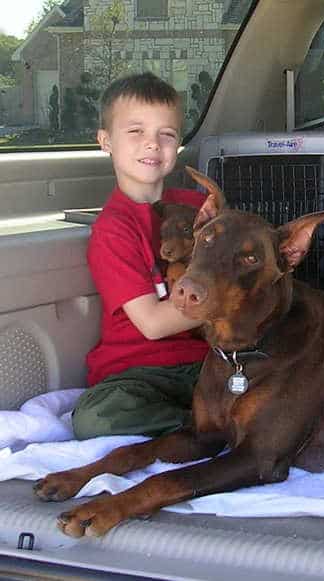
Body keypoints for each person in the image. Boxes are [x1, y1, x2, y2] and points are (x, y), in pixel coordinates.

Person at [72, 72, 209, 439]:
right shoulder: (114, 229)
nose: (152, 144)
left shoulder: (200, 209)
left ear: (177, 145)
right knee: (94, 418)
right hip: (136, 372)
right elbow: (152, 323)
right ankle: (203, 427)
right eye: (135, 132)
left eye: (166, 134)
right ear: (106, 141)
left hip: (207, 363)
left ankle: (218, 420)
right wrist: (230, 300)